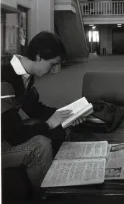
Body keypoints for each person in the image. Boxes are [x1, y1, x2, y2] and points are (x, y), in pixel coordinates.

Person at [1, 31, 84, 190]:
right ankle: (44, 196)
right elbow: (13, 134)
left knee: (60, 127)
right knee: (41, 145)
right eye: (52, 64)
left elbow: (33, 108)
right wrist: (48, 125)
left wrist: (65, 114)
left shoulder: (24, 73)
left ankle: (61, 176)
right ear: (39, 56)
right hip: (5, 135)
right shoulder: (4, 80)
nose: (53, 70)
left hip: (6, 129)